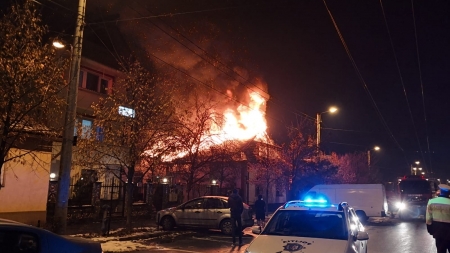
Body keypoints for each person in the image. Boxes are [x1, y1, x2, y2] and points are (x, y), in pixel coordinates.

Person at [426, 184, 450, 253]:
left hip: (438, 230)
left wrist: (430, 229)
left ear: (440, 192)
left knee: (441, 250)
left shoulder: (431, 202)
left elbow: (428, 218)